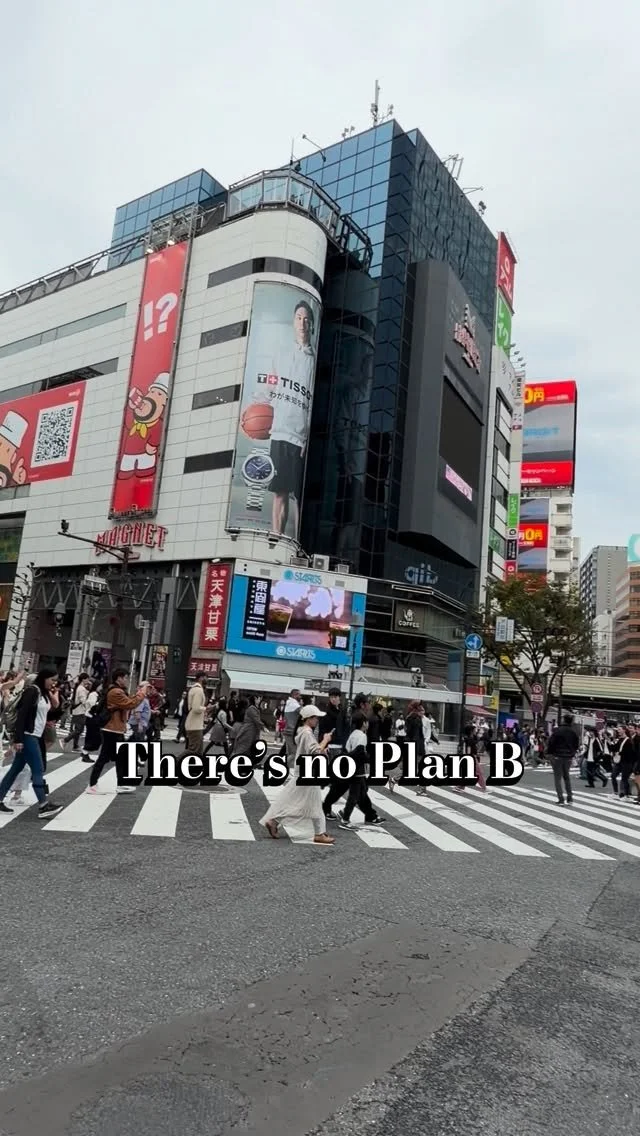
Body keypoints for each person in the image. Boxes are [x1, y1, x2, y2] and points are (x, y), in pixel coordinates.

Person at [269, 299, 316, 535]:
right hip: (279, 431)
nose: (302, 323)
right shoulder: (281, 353)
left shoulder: (314, 360)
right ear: (293, 321)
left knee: (299, 496)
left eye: (307, 319)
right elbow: (270, 386)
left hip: (300, 437)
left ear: (312, 325)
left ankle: (296, 543)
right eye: (299, 318)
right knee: (280, 492)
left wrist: (308, 438)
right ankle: (276, 539)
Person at [260, 705, 335, 844]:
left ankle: (274, 821)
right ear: (308, 719)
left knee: (294, 801)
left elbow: (311, 750)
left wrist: (322, 749)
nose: (317, 720)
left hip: (303, 770)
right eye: (315, 717)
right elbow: (315, 751)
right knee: (314, 803)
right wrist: (325, 740)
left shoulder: (302, 731)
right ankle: (319, 833)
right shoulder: (307, 733)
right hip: (307, 772)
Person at [0, 667, 63, 817]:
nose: (54, 683)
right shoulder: (32, 691)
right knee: (37, 769)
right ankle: (43, 805)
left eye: (55, 680)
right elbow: (22, 715)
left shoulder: (43, 693)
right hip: (28, 735)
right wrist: (18, 739)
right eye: (52, 680)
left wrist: (56, 700)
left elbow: (48, 712)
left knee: (16, 769)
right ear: (44, 678)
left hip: (35, 735)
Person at [86, 670, 148, 794]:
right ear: (119, 678)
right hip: (112, 729)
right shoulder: (116, 692)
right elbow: (130, 704)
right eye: (125, 678)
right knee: (104, 757)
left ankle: (120, 784)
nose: (127, 680)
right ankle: (92, 785)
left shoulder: (118, 690)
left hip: (116, 728)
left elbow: (128, 701)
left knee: (120, 757)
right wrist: (142, 693)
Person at [336, 711, 383, 829]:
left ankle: (370, 816)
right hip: (357, 770)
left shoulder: (353, 734)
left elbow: (347, 750)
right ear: (364, 723)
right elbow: (360, 753)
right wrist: (369, 759)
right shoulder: (362, 736)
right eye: (366, 722)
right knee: (354, 795)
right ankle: (345, 818)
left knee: (362, 793)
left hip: (352, 768)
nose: (368, 724)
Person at [546, 712, 580, 805]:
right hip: (568, 757)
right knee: (566, 777)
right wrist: (572, 753)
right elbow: (576, 745)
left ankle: (561, 799)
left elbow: (551, 743)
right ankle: (570, 798)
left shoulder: (558, 730)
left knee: (557, 778)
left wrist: (549, 753)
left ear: (564, 720)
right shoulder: (574, 732)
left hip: (558, 756)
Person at [65, 673, 91, 751]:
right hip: (80, 711)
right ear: (83, 679)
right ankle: (65, 740)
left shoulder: (79, 687)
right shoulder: (81, 688)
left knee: (78, 729)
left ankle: (75, 746)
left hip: (77, 710)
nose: (88, 681)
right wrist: (88, 706)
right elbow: (83, 700)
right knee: (79, 729)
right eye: (87, 679)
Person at [185, 673, 207, 755]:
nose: (207, 679)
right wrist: (206, 708)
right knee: (193, 750)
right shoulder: (198, 690)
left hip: (195, 724)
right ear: (201, 678)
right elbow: (196, 708)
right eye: (206, 677)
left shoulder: (194, 689)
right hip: (195, 725)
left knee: (198, 752)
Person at [282, 688, 302, 766]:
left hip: (288, 731)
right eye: (299, 695)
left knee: (289, 753)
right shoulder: (294, 705)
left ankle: (284, 769)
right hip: (291, 732)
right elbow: (304, 712)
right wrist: (301, 704)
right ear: (294, 695)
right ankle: (282, 767)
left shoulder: (289, 703)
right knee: (295, 753)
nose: (300, 696)